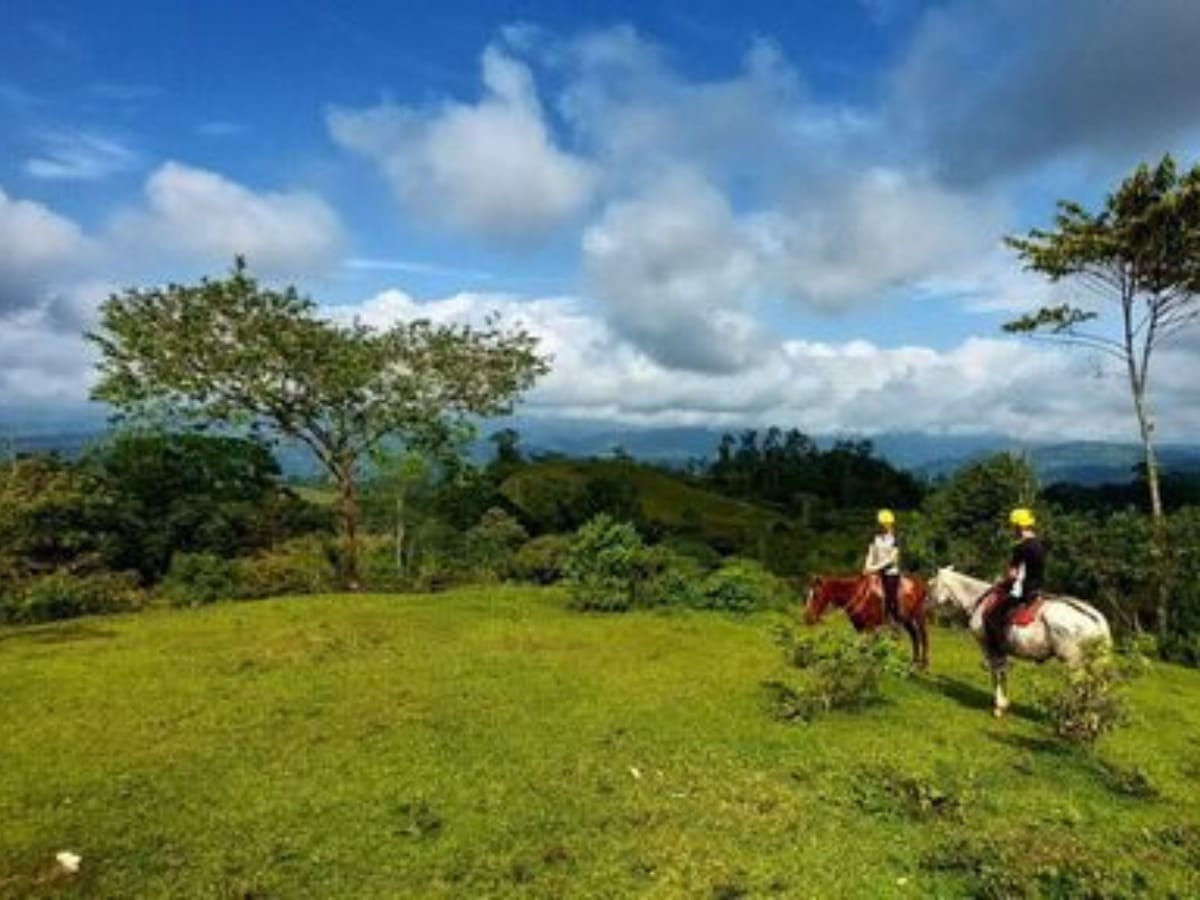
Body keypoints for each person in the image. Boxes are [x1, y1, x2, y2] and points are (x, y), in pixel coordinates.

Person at [984, 507, 1047, 661]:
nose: (1012, 530)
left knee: (991, 614)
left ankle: (999, 653)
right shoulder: (1041, 544)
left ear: (1018, 526)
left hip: (1024, 592)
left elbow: (1013, 575)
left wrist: (1001, 581)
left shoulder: (1021, 547)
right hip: (1039, 589)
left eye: (1013, 526)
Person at [863, 509, 902, 624]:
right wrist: (866, 566)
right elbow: (870, 553)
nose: (881, 526)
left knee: (890, 596)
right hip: (874, 571)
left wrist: (874, 568)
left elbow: (892, 559)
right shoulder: (875, 538)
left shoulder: (895, 539)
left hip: (890, 573)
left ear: (888, 524)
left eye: (883, 524)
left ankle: (893, 620)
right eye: (880, 524)